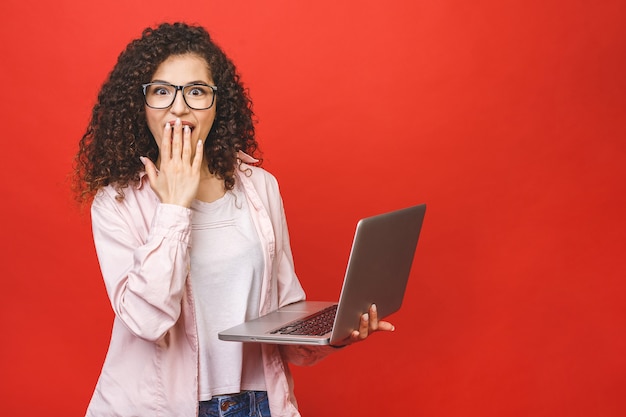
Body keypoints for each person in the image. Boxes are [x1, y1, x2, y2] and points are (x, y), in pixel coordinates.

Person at [73, 22, 394, 417]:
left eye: (196, 91)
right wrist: (174, 207)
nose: (179, 106)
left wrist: (334, 333)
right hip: (157, 408)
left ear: (216, 103)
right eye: (161, 91)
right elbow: (146, 320)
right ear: (140, 106)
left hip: (257, 405)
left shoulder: (260, 187)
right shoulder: (117, 201)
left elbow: (283, 317)